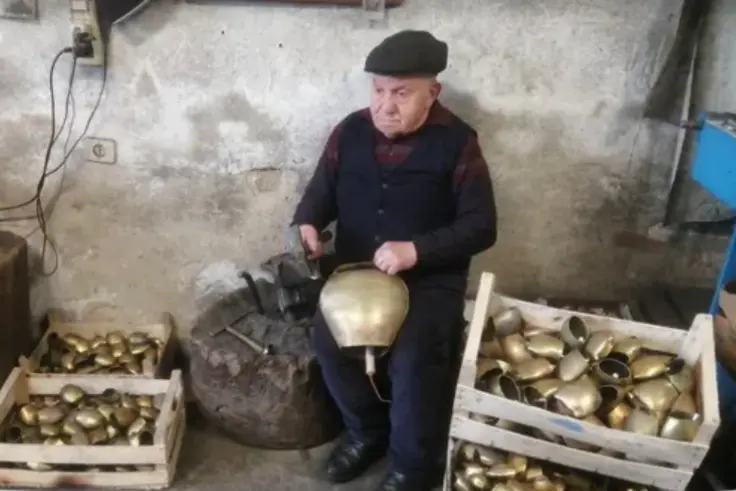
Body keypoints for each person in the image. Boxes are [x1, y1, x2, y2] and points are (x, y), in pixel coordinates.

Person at [290, 29, 498, 491]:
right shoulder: (350, 131)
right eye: (379, 90)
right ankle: (367, 433)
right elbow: (319, 192)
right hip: (356, 273)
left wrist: (417, 250)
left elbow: (482, 226)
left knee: (414, 355)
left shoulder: (458, 141)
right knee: (329, 343)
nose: (386, 105)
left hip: (429, 277)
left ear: (433, 92)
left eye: (402, 93)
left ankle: (413, 465)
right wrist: (308, 222)